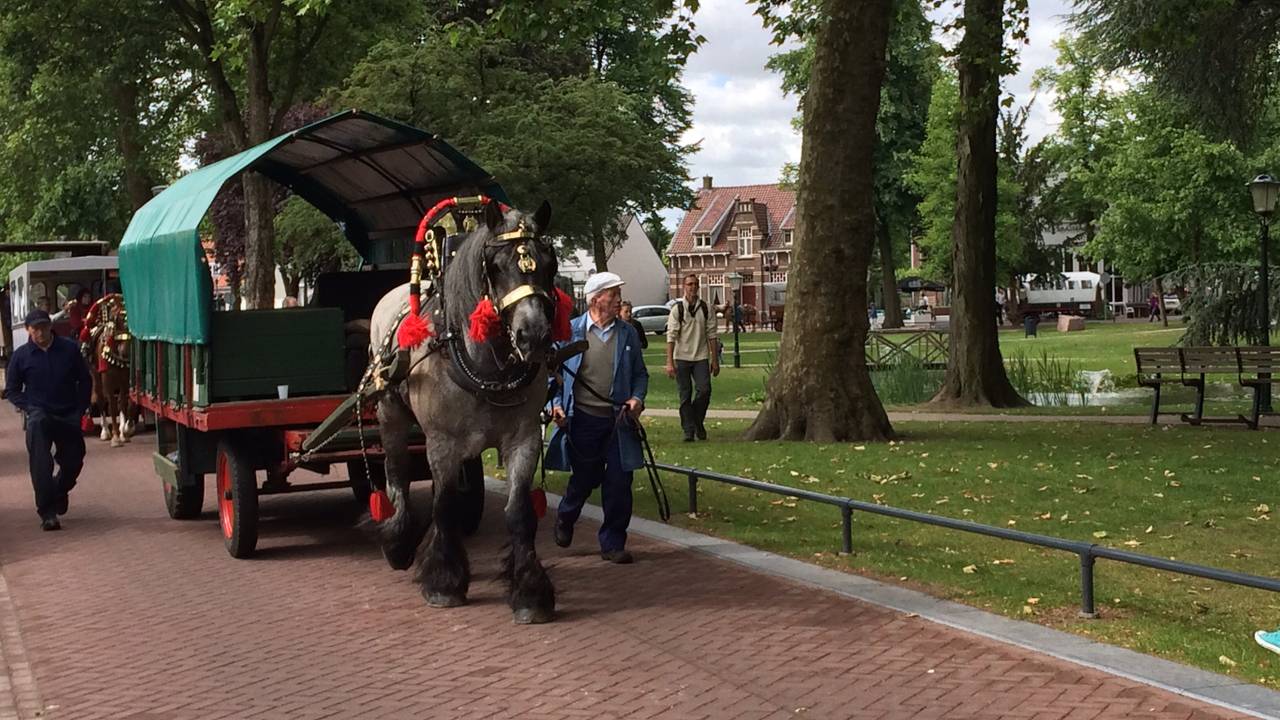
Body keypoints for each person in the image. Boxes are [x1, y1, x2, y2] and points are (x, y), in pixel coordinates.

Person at [545, 272, 649, 564]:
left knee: (619, 481)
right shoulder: (571, 332)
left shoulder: (627, 333)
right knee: (585, 478)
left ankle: (613, 542)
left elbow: (641, 375)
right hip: (583, 420)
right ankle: (566, 516)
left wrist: (637, 399)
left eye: (618, 294)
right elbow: (553, 376)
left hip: (618, 420)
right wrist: (555, 405)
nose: (619, 300)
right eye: (613, 294)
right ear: (595, 299)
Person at [4, 309, 91, 531]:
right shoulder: (21, 356)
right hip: (39, 416)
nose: (40, 332)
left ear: (50, 326)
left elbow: (84, 379)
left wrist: (80, 408)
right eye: (35, 328)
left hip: (67, 413)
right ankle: (47, 513)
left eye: (44, 326)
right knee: (41, 465)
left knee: (74, 460)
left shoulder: (69, 349)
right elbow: (12, 390)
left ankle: (60, 489)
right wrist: (30, 408)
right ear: (28, 330)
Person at [665, 274, 719, 442]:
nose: (693, 287)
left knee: (704, 390)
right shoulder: (677, 309)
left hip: (701, 356)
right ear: (684, 286)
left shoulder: (706, 308)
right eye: (689, 284)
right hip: (681, 357)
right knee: (685, 394)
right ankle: (689, 430)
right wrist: (669, 362)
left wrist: (714, 360)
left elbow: (712, 335)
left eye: (695, 284)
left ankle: (696, 421)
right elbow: (671, 336)